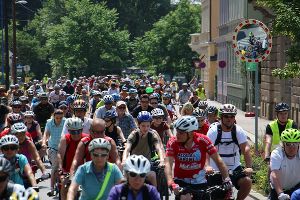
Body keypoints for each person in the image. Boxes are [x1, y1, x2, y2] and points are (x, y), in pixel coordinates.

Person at [164, 116, 232, 200]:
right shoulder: (173, 142)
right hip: (181, 181)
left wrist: (226, 178)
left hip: (199, 181)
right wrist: (170, 182)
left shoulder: (203, 140)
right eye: (177, 131)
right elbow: (168, 163)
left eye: (181, 133)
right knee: (185, 198)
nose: (177, 135)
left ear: (191, 133)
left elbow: (218, 160)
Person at [207, 104, 253, 200]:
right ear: (221, 117)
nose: (229, 119)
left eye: (232, 116)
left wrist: (249, 167)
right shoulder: (214, 131)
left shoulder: (238, 130)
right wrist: (207, 166)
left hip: (234, 168)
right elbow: (206, 151)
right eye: (226, 116)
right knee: (217, 196)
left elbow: (246, 149)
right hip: (216, 169)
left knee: (247, 182)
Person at [122, 111, 165, 186]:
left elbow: (158, 148)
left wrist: (161, 160)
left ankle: (154, 195)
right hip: (133, 164)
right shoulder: (134, 134)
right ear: (138, 125)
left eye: (148, 126)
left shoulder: (152, 134)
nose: (146, 128)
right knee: (124, 176)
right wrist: (124, 160)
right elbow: (127, 148)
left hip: (146, 165)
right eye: (143, 126)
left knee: (152, 175)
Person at [56, 117, 89, 199]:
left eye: (79, 131)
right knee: (64, 187)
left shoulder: (87, 139)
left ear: (82, 129)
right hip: (67, 171)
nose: (76, 134)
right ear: (69, 131)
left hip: (84, 171)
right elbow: (60, 155)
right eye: (73, 132)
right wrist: (60, 169)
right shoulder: (65, 139)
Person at [269, 129, 300, 200]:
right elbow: (275, 174)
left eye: (295, 143)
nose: (292, 147)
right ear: (283, 144)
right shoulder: (277, 153)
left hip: (296, 186)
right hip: (278, 187)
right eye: (288, 144)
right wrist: (280, 193)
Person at [41, 109, 65, 194]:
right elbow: (46, 134)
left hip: (63, 147)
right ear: (53, 116)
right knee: (55, 167)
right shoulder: (49, 122)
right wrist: (44, 142)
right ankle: (51, 188)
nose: (59, 119)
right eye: (57, 118)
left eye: (60, 118)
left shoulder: (66, 122)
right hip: (53, 148)